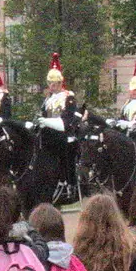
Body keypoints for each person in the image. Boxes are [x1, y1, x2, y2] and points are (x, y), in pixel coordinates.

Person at [37, 53, 81, 197]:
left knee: (65, 150)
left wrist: (46, 122)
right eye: (50, 83)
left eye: (54, 84)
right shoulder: (47, 100)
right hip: (49, 134)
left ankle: (68, 183)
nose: (52, 86)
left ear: (60, 83)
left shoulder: (68, 97)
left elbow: (66, 123)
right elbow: (43, 116)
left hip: (64, 134)